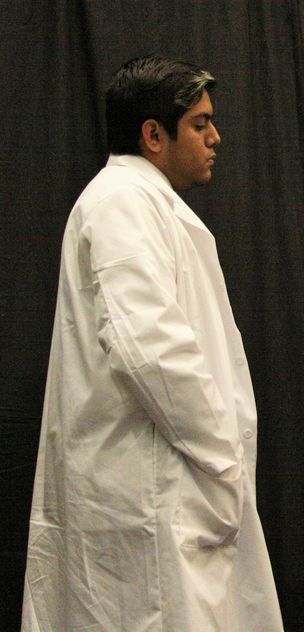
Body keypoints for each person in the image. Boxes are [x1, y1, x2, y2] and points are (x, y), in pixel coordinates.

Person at [21, 56, 282, 631]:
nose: (215, 137)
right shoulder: (122, 203)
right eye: (199, 124)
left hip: (168, 491)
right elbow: (148, 349)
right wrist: (221, 459)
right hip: (150, 492)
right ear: (153, 135)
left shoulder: (143, 201)